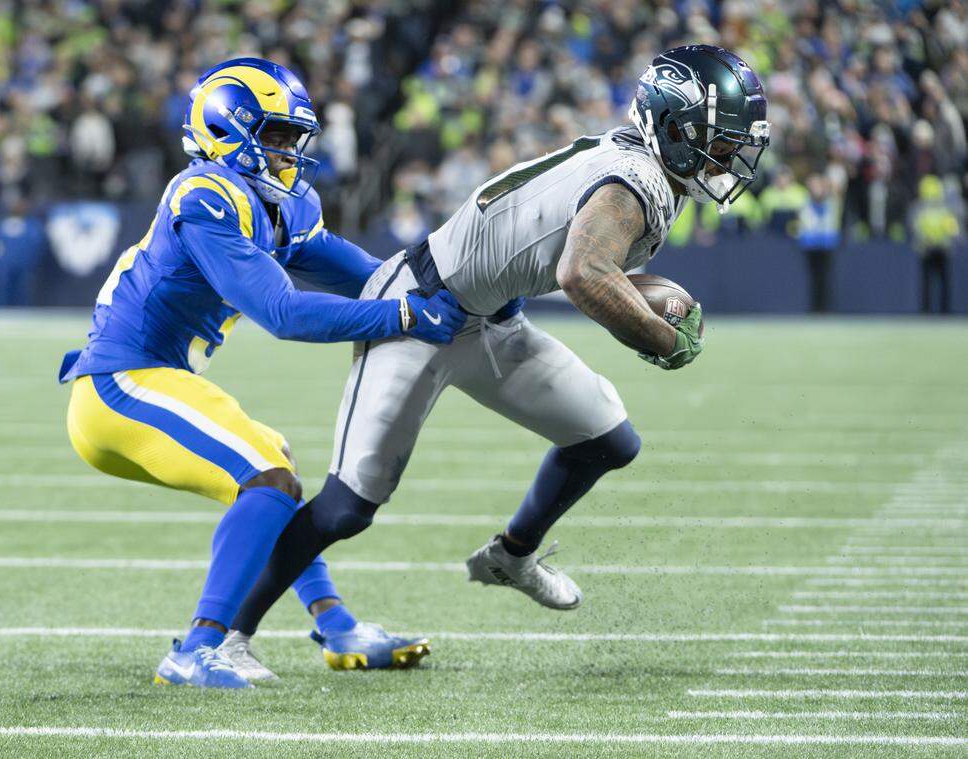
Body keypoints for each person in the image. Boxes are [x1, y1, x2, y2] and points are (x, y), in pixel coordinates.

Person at [230, 45, 768, 655]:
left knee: (608, 438)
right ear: (673, 129)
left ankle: (512, 556)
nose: (728, 158)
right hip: (420, 311)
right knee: (346, 507)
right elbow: (583, 274)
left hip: (489, 315)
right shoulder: (633, 181)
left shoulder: (636, 164)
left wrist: (638, 297)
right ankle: (225, 635)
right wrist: (666, 340)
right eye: (719, 142)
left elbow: (572, 263)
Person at [57, 58, 465, 689]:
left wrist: (459, 288)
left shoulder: (282, 202)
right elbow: (281, 311)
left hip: (156, 379)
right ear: (226, 130)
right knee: (267, 476)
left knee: (274, 472)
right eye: (274, 137)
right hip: (121, 384)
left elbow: (373, 275)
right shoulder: (204, 194)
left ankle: (335, 625)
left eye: (290, 139)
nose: (288, 153)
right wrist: (405, 314)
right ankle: (198, 646)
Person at [911, 174, 959, 314]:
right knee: (930, 282)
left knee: (938, 282)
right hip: (930, 248)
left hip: (939, 248)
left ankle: (940, 310)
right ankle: (930, 310)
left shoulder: (926, 209)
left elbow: (951, 228)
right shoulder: (935, 209)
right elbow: (918, 228)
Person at [798, 174, 841, 313]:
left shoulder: (831, 202)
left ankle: (824, 308)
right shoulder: (805, 203)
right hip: (810, 245)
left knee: (825, 278)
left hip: (826, 245)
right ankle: (814, 308)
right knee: (813, 278)